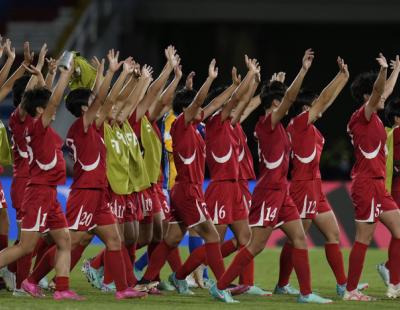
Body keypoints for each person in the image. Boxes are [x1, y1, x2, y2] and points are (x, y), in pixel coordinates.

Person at [213, 49, 332, 304]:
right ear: (276, 104)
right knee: (255, 246)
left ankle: (306, 293)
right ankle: (221, 286)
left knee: (299, 238)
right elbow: (289, 98)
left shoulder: (274, 125)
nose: (287, 105)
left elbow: (286, 98)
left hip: (282, 191)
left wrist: (273, 81)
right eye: (283, 101)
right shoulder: (268, 123)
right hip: (269, 191)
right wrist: (303, 70)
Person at [275, 57, 368, 297]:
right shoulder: (298, 124)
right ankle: (284, 284)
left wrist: (344, 78)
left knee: (333, 235)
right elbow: (324, 100)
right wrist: (339, 77)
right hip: (302, 187)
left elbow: (325, 103)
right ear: (306, 108)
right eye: (314, 104)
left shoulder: (312, 128)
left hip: (315, 188)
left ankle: (342, 286)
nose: (320, 106)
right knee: (297, 238)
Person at [0, 57, 84, 300]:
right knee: (25, 246)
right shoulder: (34, 127)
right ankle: (22, 282)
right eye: (48, 107)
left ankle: (62, 289)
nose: (53, 109)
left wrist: (43, 75)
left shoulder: (36, 124)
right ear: (39, 110)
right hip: (36, 190)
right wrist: (63, 76)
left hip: (48, 191)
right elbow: (51, 99)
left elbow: (42, 98)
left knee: (64, 239)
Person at [344, 53, 400, 301]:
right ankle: (350, 291)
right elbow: (379, 92)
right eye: (377, 95)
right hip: (366, 185)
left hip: (379, 186)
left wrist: (396, 70)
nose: (384, 99)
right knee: (363, 239)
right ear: (368, 97)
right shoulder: (361, 117)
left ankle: (395, 283)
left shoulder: (374, 118)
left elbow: (382, 93)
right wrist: (382, 72)